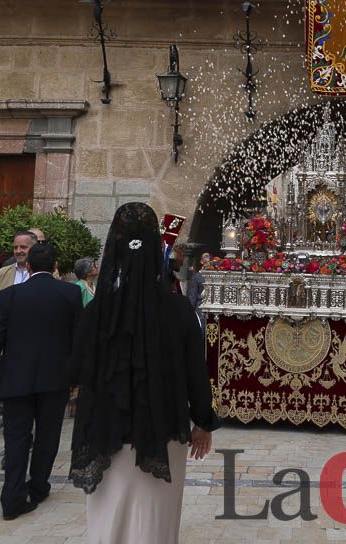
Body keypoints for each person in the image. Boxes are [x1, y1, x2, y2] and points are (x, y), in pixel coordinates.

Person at [70, 203, 219, 544]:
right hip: (162, 427)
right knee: (155, 520)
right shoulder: (179, 311)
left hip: (106, 428)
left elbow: (77, 369)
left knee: (108, 518)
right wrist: (203, 422)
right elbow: (197, 370)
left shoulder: (96, 312)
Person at [0, 242, 82, 520]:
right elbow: (77, 340)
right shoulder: (70, 293)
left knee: (16, 439)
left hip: (16, 377)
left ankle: (11, 497)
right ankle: (38, 486)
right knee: (48, 436)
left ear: (28, 266)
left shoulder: (10, 296)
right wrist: (76, 376)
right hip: (54, 378)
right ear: (55, 266)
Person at [0, 230, 37, 354]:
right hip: (4, 341)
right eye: (15, 247)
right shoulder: (3, 272)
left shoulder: (43, 272)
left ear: (34, 248)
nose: (18, 251)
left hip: (31, 341)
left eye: (23, 247)